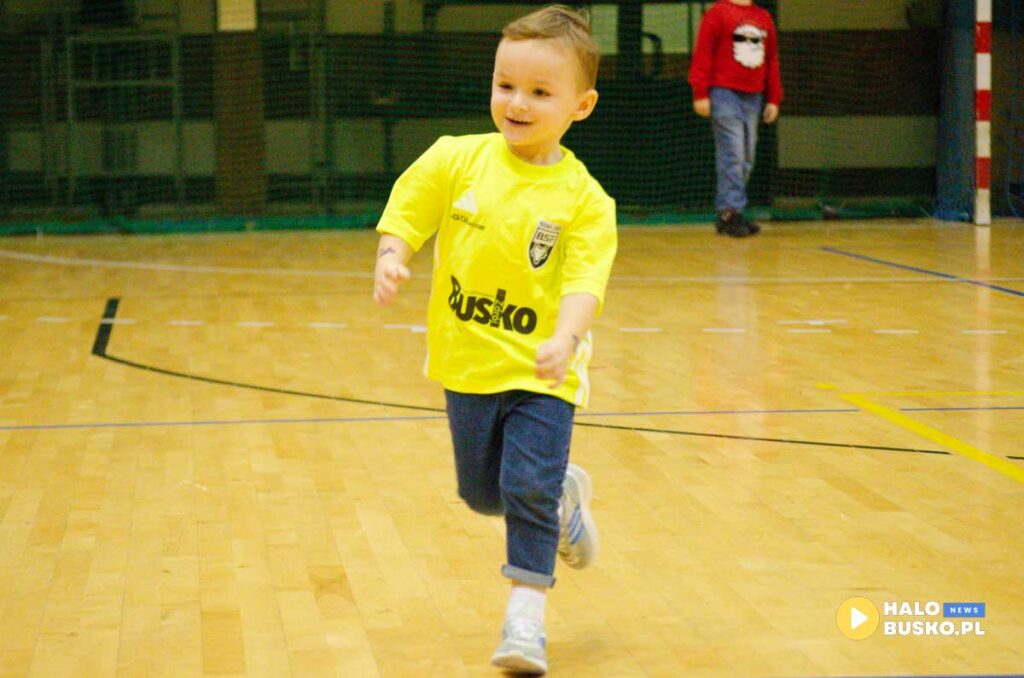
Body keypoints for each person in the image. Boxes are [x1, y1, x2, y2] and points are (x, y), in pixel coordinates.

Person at [371, 5, 616, 674]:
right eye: (506, 84)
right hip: (467, 363)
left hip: (545, 374)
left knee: (524, 487)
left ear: (581, 104)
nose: (518, 102)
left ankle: (525, 622)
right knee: (484, 493)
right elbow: (407, 214)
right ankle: (562, 496)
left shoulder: (585, 201)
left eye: (540, 92)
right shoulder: (457, 159)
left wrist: (567, 338)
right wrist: (393, 254)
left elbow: (584, 285)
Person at [688, 0, 783, 237]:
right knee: (733, 153)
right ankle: (731, 211)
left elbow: (771, 59)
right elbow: (703, 52)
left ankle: (729, 211)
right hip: (724, 93)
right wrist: (700, 92)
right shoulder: (717, 13)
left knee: (747, 156)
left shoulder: (763, 17)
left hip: (754, 96)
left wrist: (774, 98)